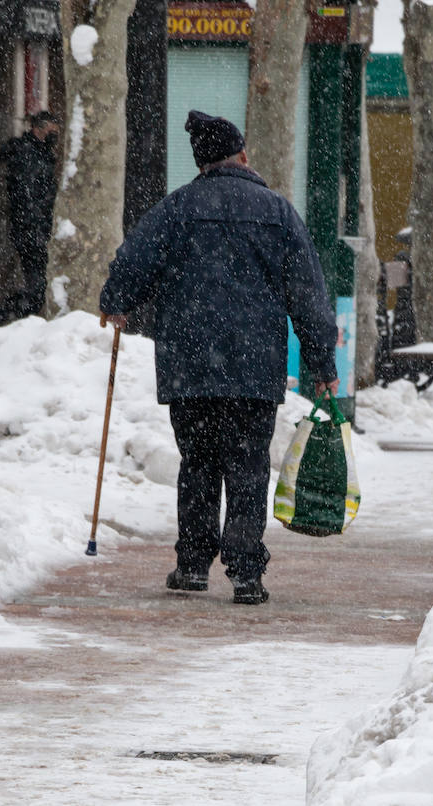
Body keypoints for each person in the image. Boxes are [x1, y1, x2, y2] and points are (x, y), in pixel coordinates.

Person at [99, 110, 339, 605]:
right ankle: (247, 573)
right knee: (249, 466)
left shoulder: (177, 208)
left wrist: (117, 302)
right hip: (254, 368)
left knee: (200, 464)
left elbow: (133, 260)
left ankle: (192, 566)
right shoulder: (277, 212)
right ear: (243, 155)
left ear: (201, 162)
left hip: (191, 365)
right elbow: (308, 294)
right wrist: (321, 364)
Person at [0, 110, 60, 322]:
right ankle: (3, 316)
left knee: (38, 286)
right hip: (31, 230)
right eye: (51, 131)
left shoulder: (40, 154)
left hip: (35, 228)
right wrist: (36, 227)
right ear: (39, 129)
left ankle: (9, 315)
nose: (54, 136)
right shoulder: (27, 154)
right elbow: (28, 196)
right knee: (37, 288)